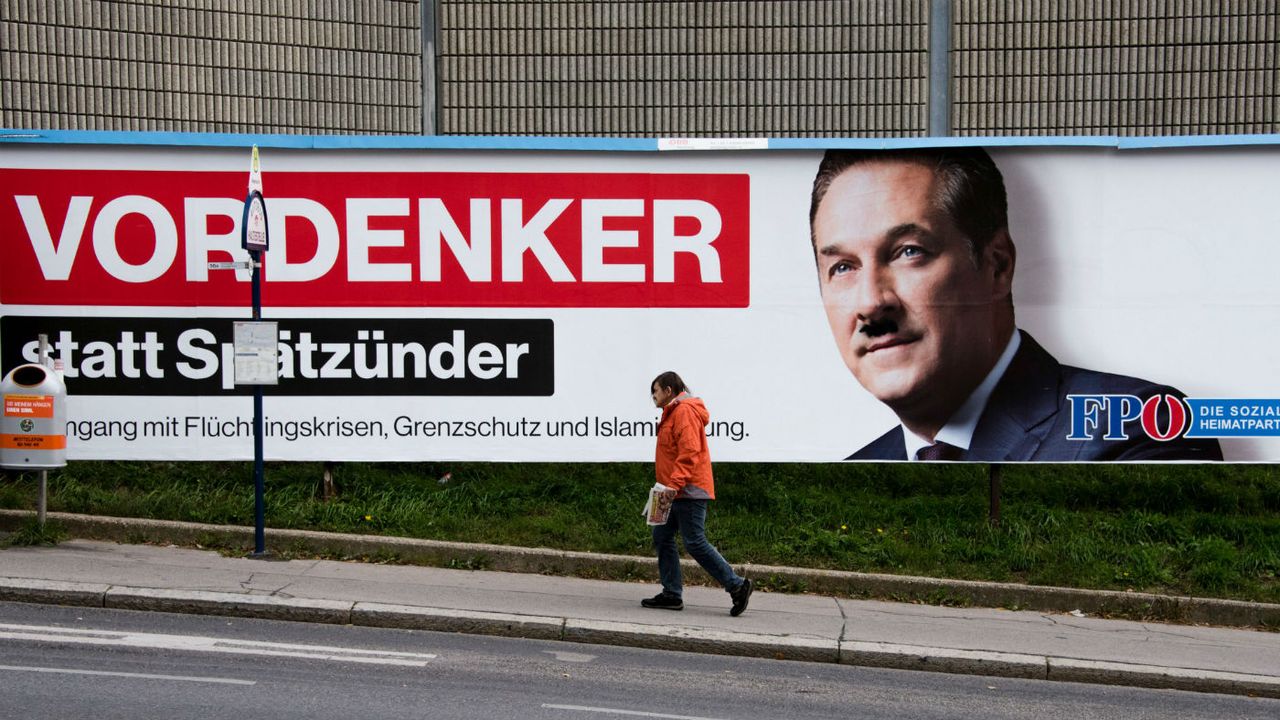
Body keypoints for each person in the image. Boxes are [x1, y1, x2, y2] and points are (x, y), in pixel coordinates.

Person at [808, 147, 1222, 462]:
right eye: (843, 267)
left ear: (997, 266)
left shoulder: (1139, 426)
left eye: (909, 251)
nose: (871, 303)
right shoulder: (860, 467)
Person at [642, 371, 753, 615]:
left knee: (695, 542)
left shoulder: (684, 412)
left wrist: (673, 485)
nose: (653, 396)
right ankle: (672, 594)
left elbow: (689, 452)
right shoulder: (671, 413)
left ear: (668, 391)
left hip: (686, 490)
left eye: (656, 390)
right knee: (661, 537)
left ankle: (737, 586)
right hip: (670, 490)